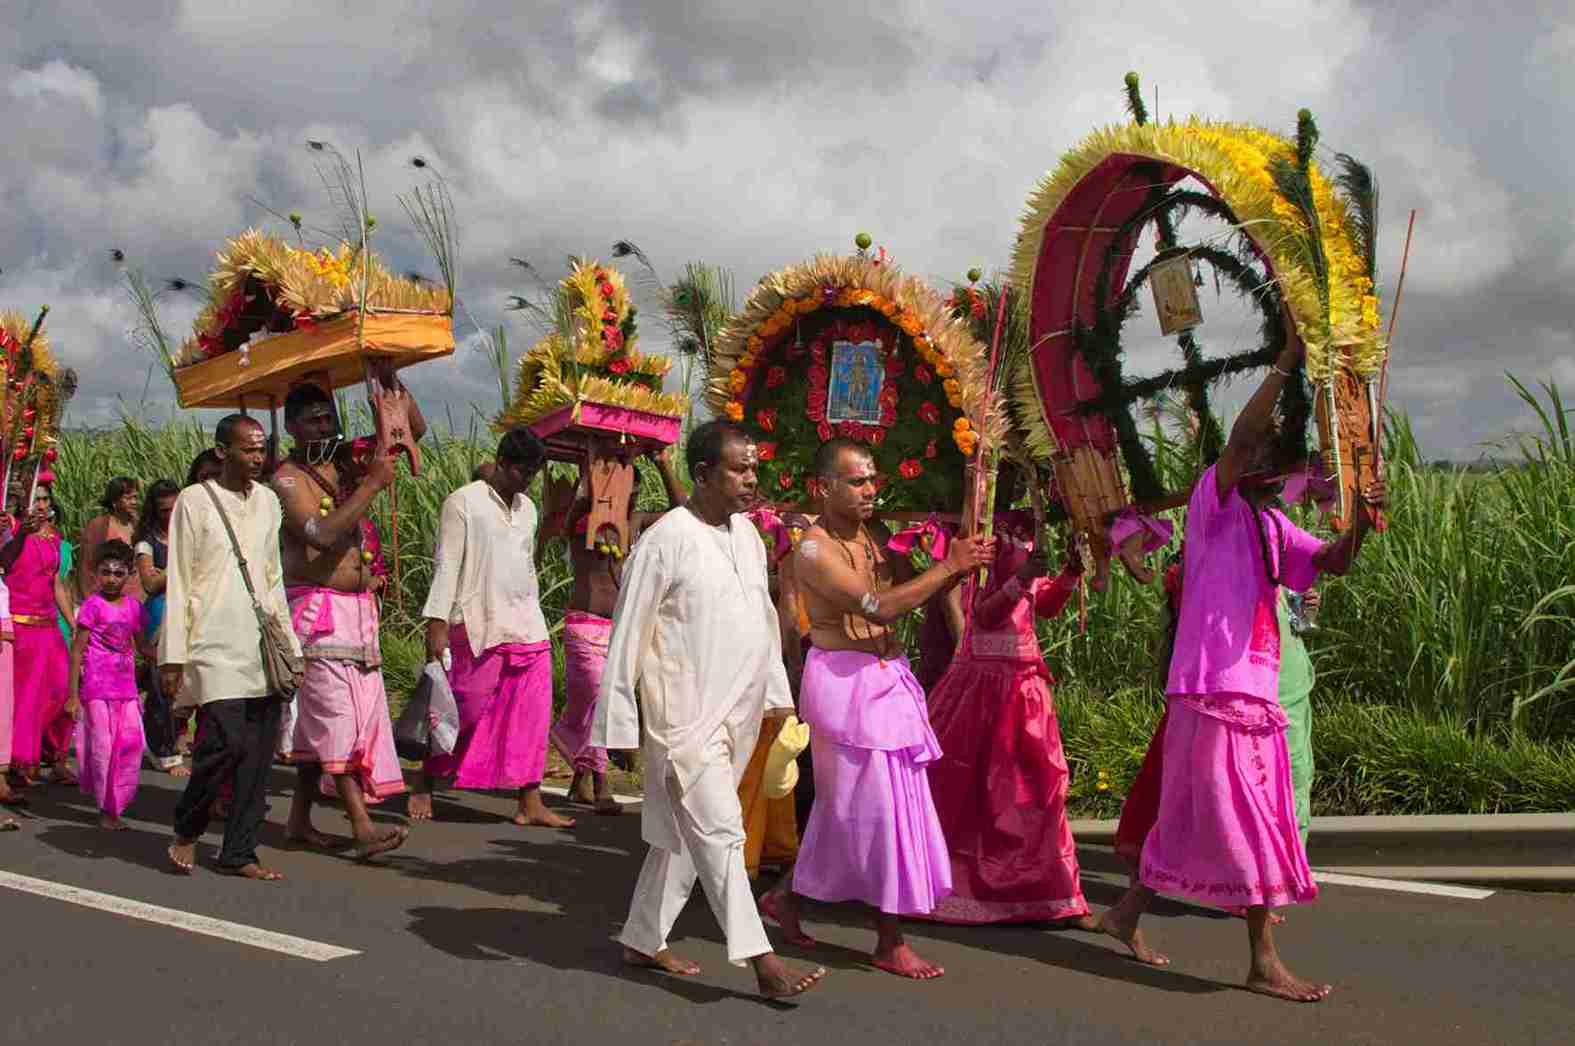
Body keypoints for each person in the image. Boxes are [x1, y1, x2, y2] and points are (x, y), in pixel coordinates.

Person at [1098, 333, 1387, 1002]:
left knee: (1189, 818)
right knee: (1254, 818)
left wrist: (1361, 524)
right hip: (1211, 689)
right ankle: (1261, 961)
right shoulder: (1215, 501)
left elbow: (1332, 563)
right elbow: (1241, 438)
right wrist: (1285, 362)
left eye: (1270, 456)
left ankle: (1125, 913)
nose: (1263, 460)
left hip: (1252, 693)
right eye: (1256, 452)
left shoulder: (1273, 524)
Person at [592, 420, 826, 999]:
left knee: (682, 835)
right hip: (683, 719)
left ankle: (642, 937)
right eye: (739, 469)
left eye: (754, 468)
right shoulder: (664, 540)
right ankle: (761, 959)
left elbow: (762, 625)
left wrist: (778, 704)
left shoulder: (746, 536)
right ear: (702, 474)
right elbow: (627, 635)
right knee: (720, 831)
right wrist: (619, 726)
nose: (751, 479)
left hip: (738, 715)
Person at [762, 438, 992, 980]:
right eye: (857, 481)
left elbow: (909, 591)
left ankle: (787, 897)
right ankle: (890, 942)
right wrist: (947, 567)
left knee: (852, 812)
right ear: (824, 487)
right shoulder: (813, 550)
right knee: (878, 814)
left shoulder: (873, 535)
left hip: (886, 680)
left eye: (872, 480)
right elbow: (882, 607)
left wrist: (956, 563)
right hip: (845, 686)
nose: (870, 490)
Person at [921, 489, 1099, 929]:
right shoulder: (980, 528)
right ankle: (962, 887)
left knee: (1039, 792)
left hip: (1025, 682)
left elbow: (1045, 606)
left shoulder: (1032, 526)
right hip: (984, 683)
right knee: (975, 792)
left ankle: (1053, 893)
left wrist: (1070, 573)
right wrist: (1023, 578)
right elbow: (984, 614)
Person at [161, 414, 302, 881]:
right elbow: (180, 578)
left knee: (257, 758)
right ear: (223, 452)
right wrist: (173, 656)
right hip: (212, 642)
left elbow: (273, 577)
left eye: (262, 449)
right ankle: (188, 828)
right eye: (249, 449)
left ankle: (239, 851)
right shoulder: (194, 501)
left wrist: (291, 645)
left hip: (261, 645)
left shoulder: (267, 501)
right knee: (224, 743)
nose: (259, 457)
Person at [273, 381, 410, 860]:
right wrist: (371, 484)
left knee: (335, 716)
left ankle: (298, 821)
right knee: (336, 718)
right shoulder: (288, 479)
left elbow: (410, 433)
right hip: (317, 613)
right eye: (312, 419)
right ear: (291, 426)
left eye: (328, 417)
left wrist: (391, 384)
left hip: (357, 614)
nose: (323, 426)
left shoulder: (345, 460)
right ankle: (361, 825)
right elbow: (319, 534)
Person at [410, 427, 573, 829]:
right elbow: (447, 564)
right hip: (477, 622)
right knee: (463, 709)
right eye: (521, 472)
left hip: (528, 625)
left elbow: (526, 564)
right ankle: (426, 779)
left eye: (532, 474)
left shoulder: (528, 508)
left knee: (532, 715)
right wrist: (436, 623)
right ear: (501, 463)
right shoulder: (463, 502)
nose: (527, 481)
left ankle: (530, 801)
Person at [548, 445, 686, 814]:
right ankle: (601, 784)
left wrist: (662, 464)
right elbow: (568, 524)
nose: (628, 497)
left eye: (632, 491)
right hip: (584, 627)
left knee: (595, 705)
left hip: (620, 631)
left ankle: (580, 779)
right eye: (621, 489)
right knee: (598, 700)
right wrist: (590, 487)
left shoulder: (637, 522)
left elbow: (682, 513)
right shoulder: (585, 521)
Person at [67, 540, 150, 830]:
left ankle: (118, 802)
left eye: (118, 573)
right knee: (103, 749)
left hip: (126, 689)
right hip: (96, 688)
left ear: (129, 574)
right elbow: (77, 651)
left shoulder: (134, 608)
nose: (111, 579)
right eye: (106, 572)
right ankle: (106, 810)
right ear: (95, 573)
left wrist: (171, 663)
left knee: (130, 746)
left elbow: (143, 647)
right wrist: (72, 696)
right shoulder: (92, 606)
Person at [0, 487, 76, 787]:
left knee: (61, 689)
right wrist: (20, 534)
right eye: (35, 499)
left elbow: (56, 583)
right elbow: (5, 562)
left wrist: (72, 622)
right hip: (21, 625)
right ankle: (18, 760)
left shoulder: (54, 539)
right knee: (26, 696)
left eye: (44, 499)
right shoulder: (9, 529)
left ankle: (42, 752)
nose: (40, 505)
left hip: (49, 626)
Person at [134, 479, 187, 775]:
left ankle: (174, 740)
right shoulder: (147, 543)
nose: (170, 515)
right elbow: (150, 583)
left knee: (186, 685)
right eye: (164, 510)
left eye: (175, 508)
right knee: (161, 684)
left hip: (190, 613)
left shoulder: (190, 535)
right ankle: (162, 751)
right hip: (160, 616)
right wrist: (180, 565)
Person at [77, 477, 145, 602]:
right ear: (114, 501)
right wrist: (89, 599)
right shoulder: (99, 526)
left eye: (135, 497)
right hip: (106, 597)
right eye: (128, 498)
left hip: (135, 598)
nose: (134, 502)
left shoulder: (137, 525)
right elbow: (86, 565)